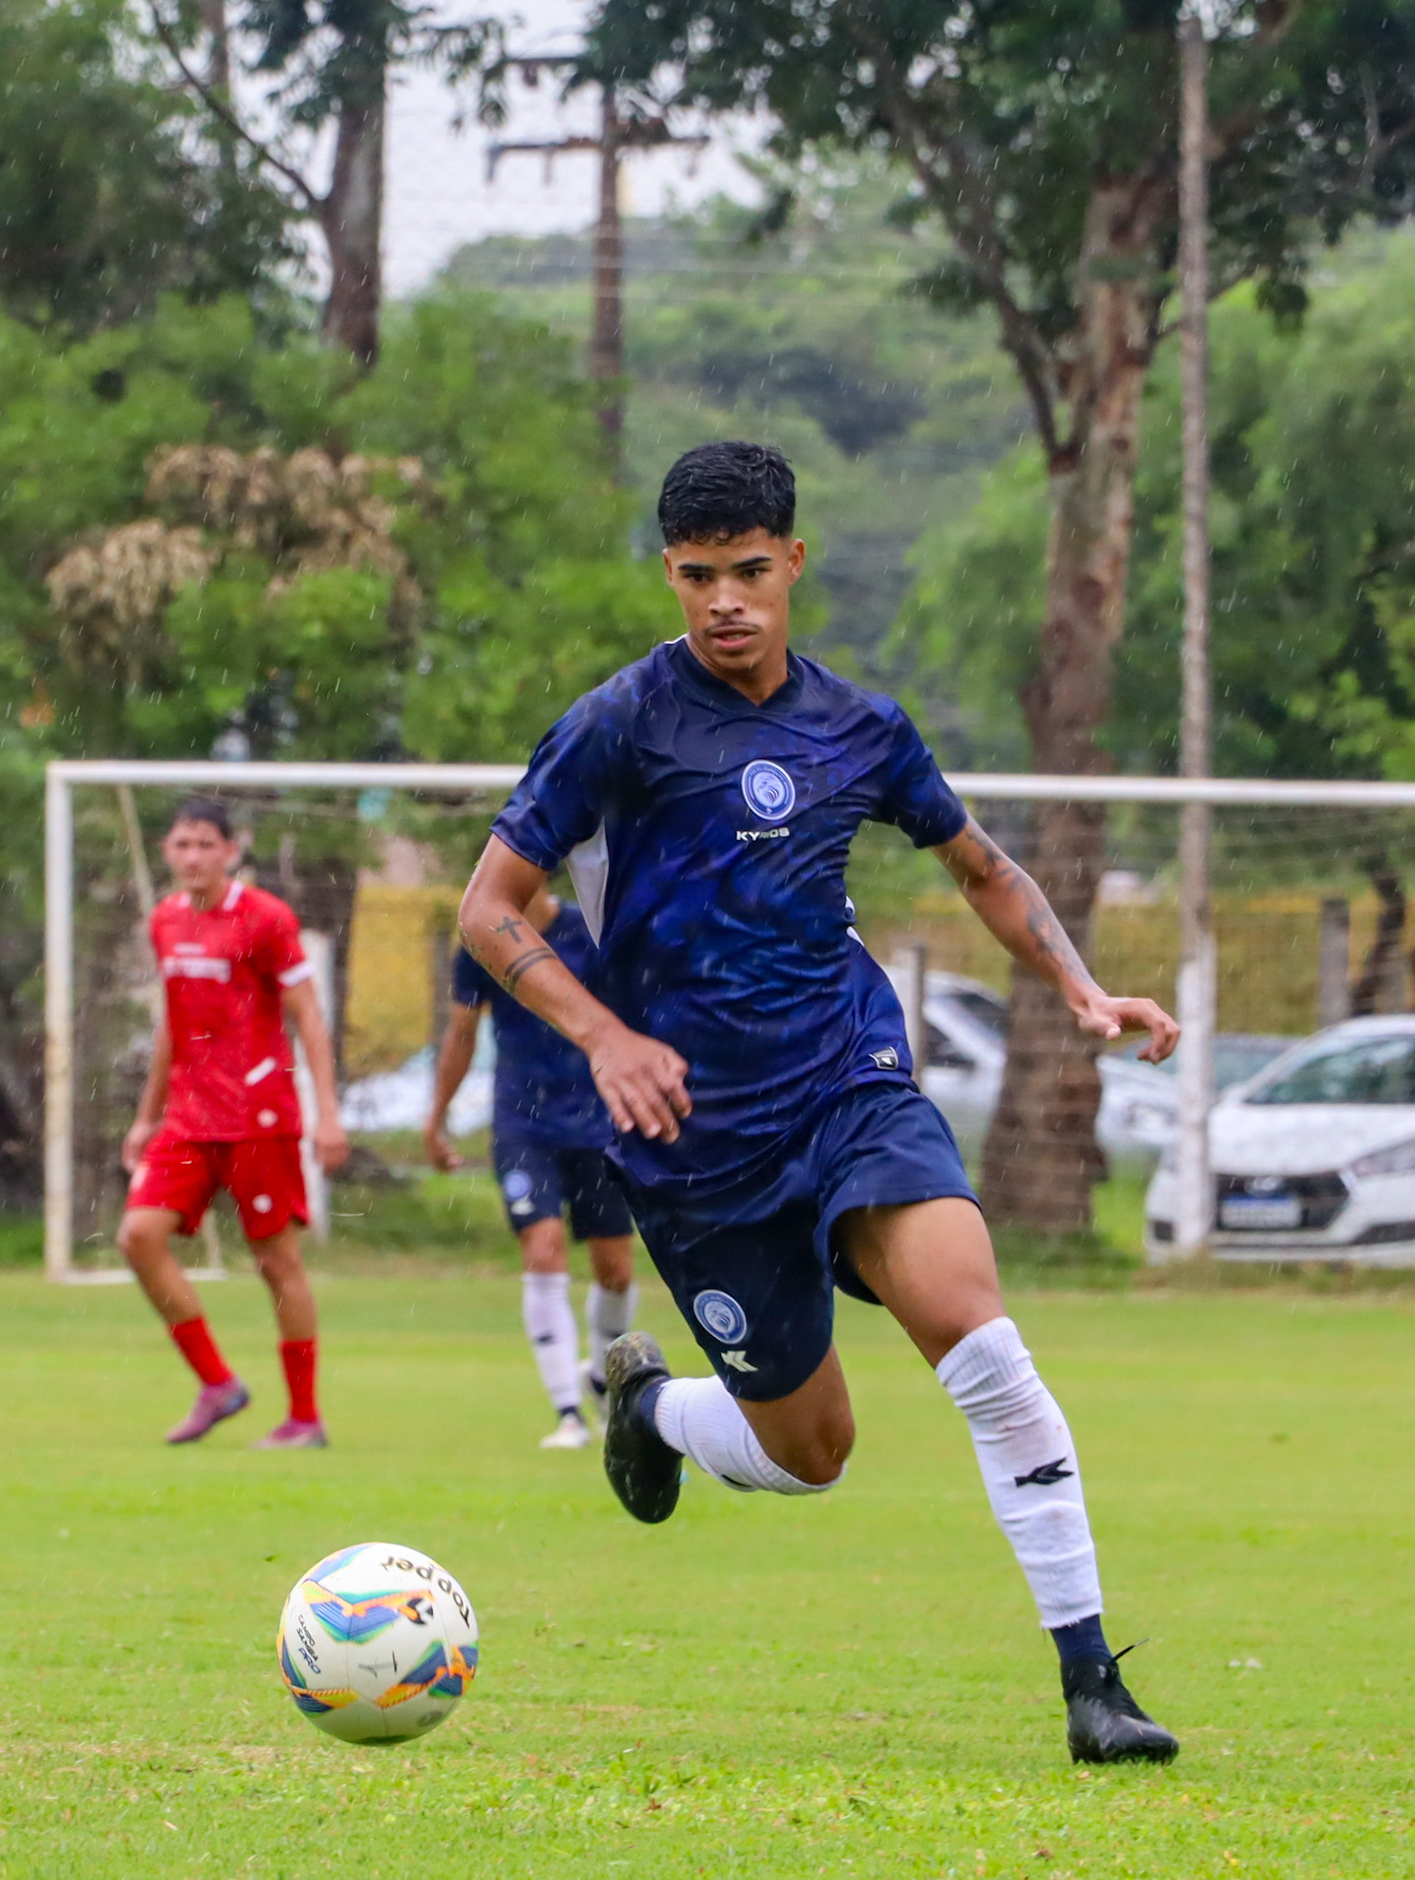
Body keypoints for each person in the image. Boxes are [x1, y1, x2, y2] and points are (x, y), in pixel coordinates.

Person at [455, 442, 1182, 1764]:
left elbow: (982, 868)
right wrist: (605, 1032)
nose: (723, 600)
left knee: (981, 1341)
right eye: (695, 575)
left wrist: (1078, 990)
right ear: (668, 575)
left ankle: (1092, 1686)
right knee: (808, 1454)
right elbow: (487, 911)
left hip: (849, 1084)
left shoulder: (859, 726)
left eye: (746, 570)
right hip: (692, 1146)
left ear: (791, 562)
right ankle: (653, 1412)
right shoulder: (615, 724)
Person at [119, 799, 350, 1449]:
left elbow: (306, 1014)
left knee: (276, 1264)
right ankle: (218, 1384)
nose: (191, 856)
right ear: (167, 852)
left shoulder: (266, 919)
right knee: (139, 1237)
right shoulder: (164, 921)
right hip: (189, 1117)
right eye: (181, 844)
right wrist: (145, 1116)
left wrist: (327, 1114)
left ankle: (304, 1417)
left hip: (258, 1115)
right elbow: (172, 1022)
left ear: (229, 851)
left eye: (204, 844)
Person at [423, 886, 637, 1450]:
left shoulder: (591, 929)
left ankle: (602, 1380)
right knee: (542, 1248)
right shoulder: (479, 940)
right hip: (524, 1124)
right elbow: (462, 1034)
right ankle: (568, 1412)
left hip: (602, 1120)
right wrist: (437, 1116)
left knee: (615, 1269)